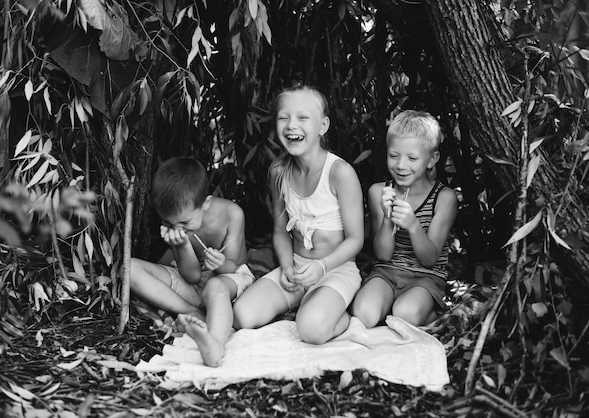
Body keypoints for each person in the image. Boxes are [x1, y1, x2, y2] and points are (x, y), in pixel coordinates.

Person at [233, 85, 364, 344]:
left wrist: (321, 266)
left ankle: (339, 316)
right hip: (296, 268)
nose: (292, 125)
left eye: (303, 118)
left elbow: (356, 239)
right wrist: (286, 266)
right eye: (284, 117)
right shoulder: (279, 171)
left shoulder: (340, 173)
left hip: (335, 269)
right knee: (242, 316)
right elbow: (281, 231)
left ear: (323, 126)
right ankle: (307, 304)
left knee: (311, 330)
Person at [130, 157, 254, 367]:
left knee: (215, 285)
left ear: (205, 203)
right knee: (129, 268)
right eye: (169, 223)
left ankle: (214, 344)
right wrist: (183, 245)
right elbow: (192, 276)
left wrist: (220, 263)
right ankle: (190, 311)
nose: (177, 229)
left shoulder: (232, 214)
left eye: (185, 223)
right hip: (194, 283)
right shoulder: (178, 227)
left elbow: (233, 266)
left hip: (227, 282)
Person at [351, 110, 458, 327]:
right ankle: (395, 309)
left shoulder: (444, 198)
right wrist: (387, 219)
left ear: (432, 160)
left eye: (412, 158)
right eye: (394, 155)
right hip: (387, 272)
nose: (401, 165)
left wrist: (413, 225)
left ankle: (434, 315)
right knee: (363, 314)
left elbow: (430, 259)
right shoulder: (378, 192)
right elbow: (383, 254)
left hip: (425, 278)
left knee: (404, 314)